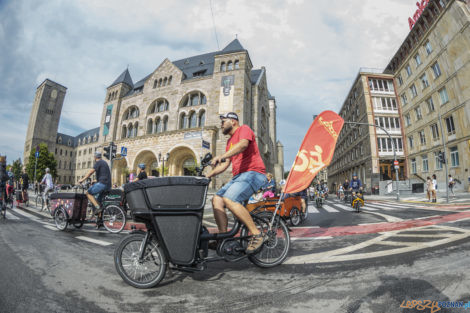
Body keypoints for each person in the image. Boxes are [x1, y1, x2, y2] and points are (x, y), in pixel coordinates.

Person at [206, 112, 268, 254]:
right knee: (217, 199)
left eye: (223, 121)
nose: (221, 124)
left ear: (233, 121)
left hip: (253, 173)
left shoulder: (244, 129)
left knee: (230, 199)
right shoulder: (229, 142)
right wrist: (208, 175)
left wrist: (221, 156)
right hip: (239, 177)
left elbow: (243, 145)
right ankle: (223, 239)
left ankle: (257, 234)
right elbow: (225, 164)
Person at [78, 152, 111, 229]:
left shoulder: (98, 162)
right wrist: (95, 181)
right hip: (107, 185)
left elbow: (90, 172)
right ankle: (100, 221)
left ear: (95, 157)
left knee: (88, 193)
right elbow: (104, 175)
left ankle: (97, 208)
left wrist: (82, 180)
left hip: (102, 184)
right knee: (98, 201)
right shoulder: (104, 163)